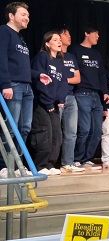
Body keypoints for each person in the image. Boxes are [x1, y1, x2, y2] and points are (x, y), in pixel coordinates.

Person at [0, 2, 52, 176]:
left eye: (28, 15)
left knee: (25, 128)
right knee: (11, 127)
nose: (27, 18)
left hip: (27, 87)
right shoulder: (4, 32)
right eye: (23, 14)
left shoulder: (21, 38)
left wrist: (38, 75)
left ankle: (16, 166)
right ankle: (4, 165)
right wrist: (5, 84)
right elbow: (2, 59)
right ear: (11, 15)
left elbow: (22, 66)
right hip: (13, 86)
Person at [69, 26, 109, 170]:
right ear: (86, 33)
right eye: (95, 33)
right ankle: (77, 158)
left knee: (97, 130)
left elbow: (101, 76)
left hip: (96, 96)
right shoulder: (75, 50)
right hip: (82, 93)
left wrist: (105, 92)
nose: (98, 36)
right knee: (85, 129)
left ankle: (87, 158)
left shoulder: (97, 54)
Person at [28, 31, 64, 175]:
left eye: (59, 39)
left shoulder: (60, 63)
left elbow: (61, 84)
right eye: (55, 39)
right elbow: (40, 82)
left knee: (57, 135)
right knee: (45, 134)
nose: (59, 42)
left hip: (54, 105)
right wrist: (48, 103)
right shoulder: (42, 57)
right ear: (47, 43)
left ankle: (49, 165)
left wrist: (60, 100)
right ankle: (40, 165)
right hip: (42, 103)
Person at [58, 27, 85, 172]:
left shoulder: (71, 57)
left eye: (69, 33)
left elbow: (77, 78)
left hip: (71, 96)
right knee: (56, 132)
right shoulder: (54, 55)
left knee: (71, 132)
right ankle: (50, 163)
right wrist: (65, 80)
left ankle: (68, 162)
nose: (69, 36)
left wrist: (64, 79)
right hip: (57, 96)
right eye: (65, 34)